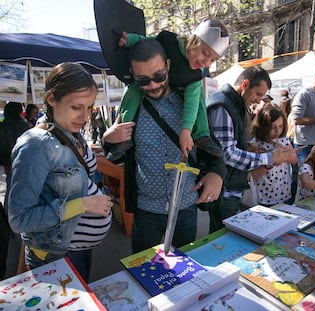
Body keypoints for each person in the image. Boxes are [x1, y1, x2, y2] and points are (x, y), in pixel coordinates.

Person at [102, 38, 226, 253]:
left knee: (183, 274)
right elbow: (116, 155)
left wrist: (217, 173)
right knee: (143, 273)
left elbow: (212, 147)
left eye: (159, 76)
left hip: (186, 208)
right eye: (143, 80)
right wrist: (108, 139)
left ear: (168, 65)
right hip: (146, 212)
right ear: (133, 74)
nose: (152, 85)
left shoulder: (189, 103)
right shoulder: (131, 107)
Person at [8, 63, 113, 281]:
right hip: (55, 255)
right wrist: (83, 204)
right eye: (76, 107)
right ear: (51, 99)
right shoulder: (35, 146)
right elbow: (19, 219)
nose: (84, 117)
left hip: (76, 249)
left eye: (89, 107)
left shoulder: (69, 130)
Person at [118, 19, 229, 158]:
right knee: (133, 88)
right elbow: (146, 42)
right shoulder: (169, 41)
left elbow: (192, 104)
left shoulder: (195, 75)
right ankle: (123, 131)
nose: (206, 62)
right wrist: (131, 40)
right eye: (205, 53)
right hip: (147, 82)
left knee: (198, 95)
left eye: (213, 60)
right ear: (194, 40)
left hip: (175, 88)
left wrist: (186, 130)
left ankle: (202, 134)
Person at [206, 66, 296, 232]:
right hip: (224, 189)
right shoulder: (223, 106)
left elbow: (230, 145)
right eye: (258, 94)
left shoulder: (234, 105)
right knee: (223, 238)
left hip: (230, 186)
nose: (259, 100)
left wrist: (248, 148)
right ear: (245, 84)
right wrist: (269, 158)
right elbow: (226, 153)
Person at [0, 101, 29, 280]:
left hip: (7, 164)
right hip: (22, 164)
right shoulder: (24, 126)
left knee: (10, 190)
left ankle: (8, 221)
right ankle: (16, 220)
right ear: (19, 112)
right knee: (21, 190)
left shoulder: (1, 126)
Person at [248, 104, 297, 206]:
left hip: (283, 194)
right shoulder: (254, 145)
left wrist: (285, 153)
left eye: (280, 126)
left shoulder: (283, 140)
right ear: (262, 126)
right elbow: (253, 175)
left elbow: (294, 160)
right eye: (273, 127)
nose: (277, 131)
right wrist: (271, 160)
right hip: (263, 197)